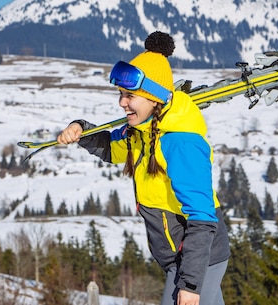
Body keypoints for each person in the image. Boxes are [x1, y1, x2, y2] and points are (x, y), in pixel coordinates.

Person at [57, 31, 230, 305]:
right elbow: (111, 148)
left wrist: (190, 284)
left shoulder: (180, 142)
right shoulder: (140, 132)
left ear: (154, 97)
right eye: (121, 94)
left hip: (197, 261)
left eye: (130, 95)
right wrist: (81, 129)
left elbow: (202, 217)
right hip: (180, 259)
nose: (122, 102)